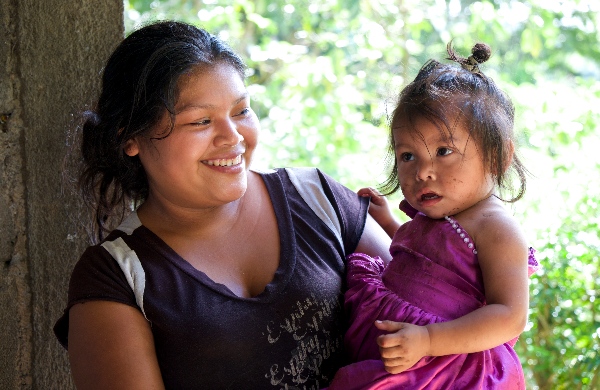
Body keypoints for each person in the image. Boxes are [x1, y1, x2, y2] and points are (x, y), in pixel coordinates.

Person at [53, 20, 393, 389]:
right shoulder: (116, 277)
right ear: (132, 138)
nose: (233, 137)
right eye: (201, 121)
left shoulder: (318, 200)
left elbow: (432, 307)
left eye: (241, 111)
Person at [326, 43, 539, 389]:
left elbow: (509, 316)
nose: (423, 171)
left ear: (498, 156)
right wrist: (391, 225)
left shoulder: (497, 229)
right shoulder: (437, 216)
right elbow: (429, 262)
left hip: (443, 367)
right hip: (404, 348)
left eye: (443, 152)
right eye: (408, 156)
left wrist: (429, 340)